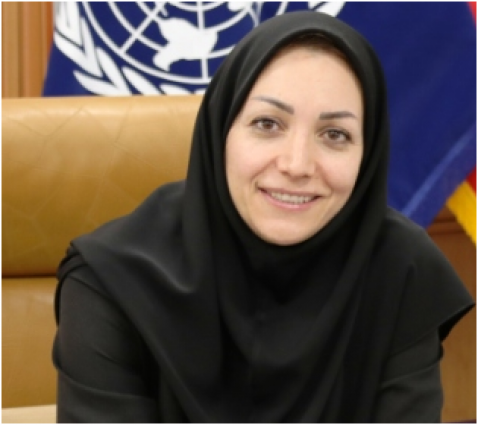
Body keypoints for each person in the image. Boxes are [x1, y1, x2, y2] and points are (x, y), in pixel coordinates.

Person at [53, 11, 474, 423]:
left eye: (335, 135)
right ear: (221, 130)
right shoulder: (112, 280)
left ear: (367, 154)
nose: (297, 164)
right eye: (268, 124)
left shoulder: (402, 268)